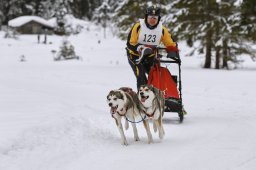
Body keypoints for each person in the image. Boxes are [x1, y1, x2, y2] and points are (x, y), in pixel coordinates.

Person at [126, 6, 179, 90]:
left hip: (150, 56)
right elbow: (130, 43)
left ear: (158, 19)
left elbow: (170, 42)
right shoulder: (138, 26)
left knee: (156, 76)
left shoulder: (162, 29)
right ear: (146, 17)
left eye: (155, 18)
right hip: (135, 56)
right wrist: (140, 48)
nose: (152, 20)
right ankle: (142, 99)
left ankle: (157, 97)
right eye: (150, 17)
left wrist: (172, 50)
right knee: (141, 75)